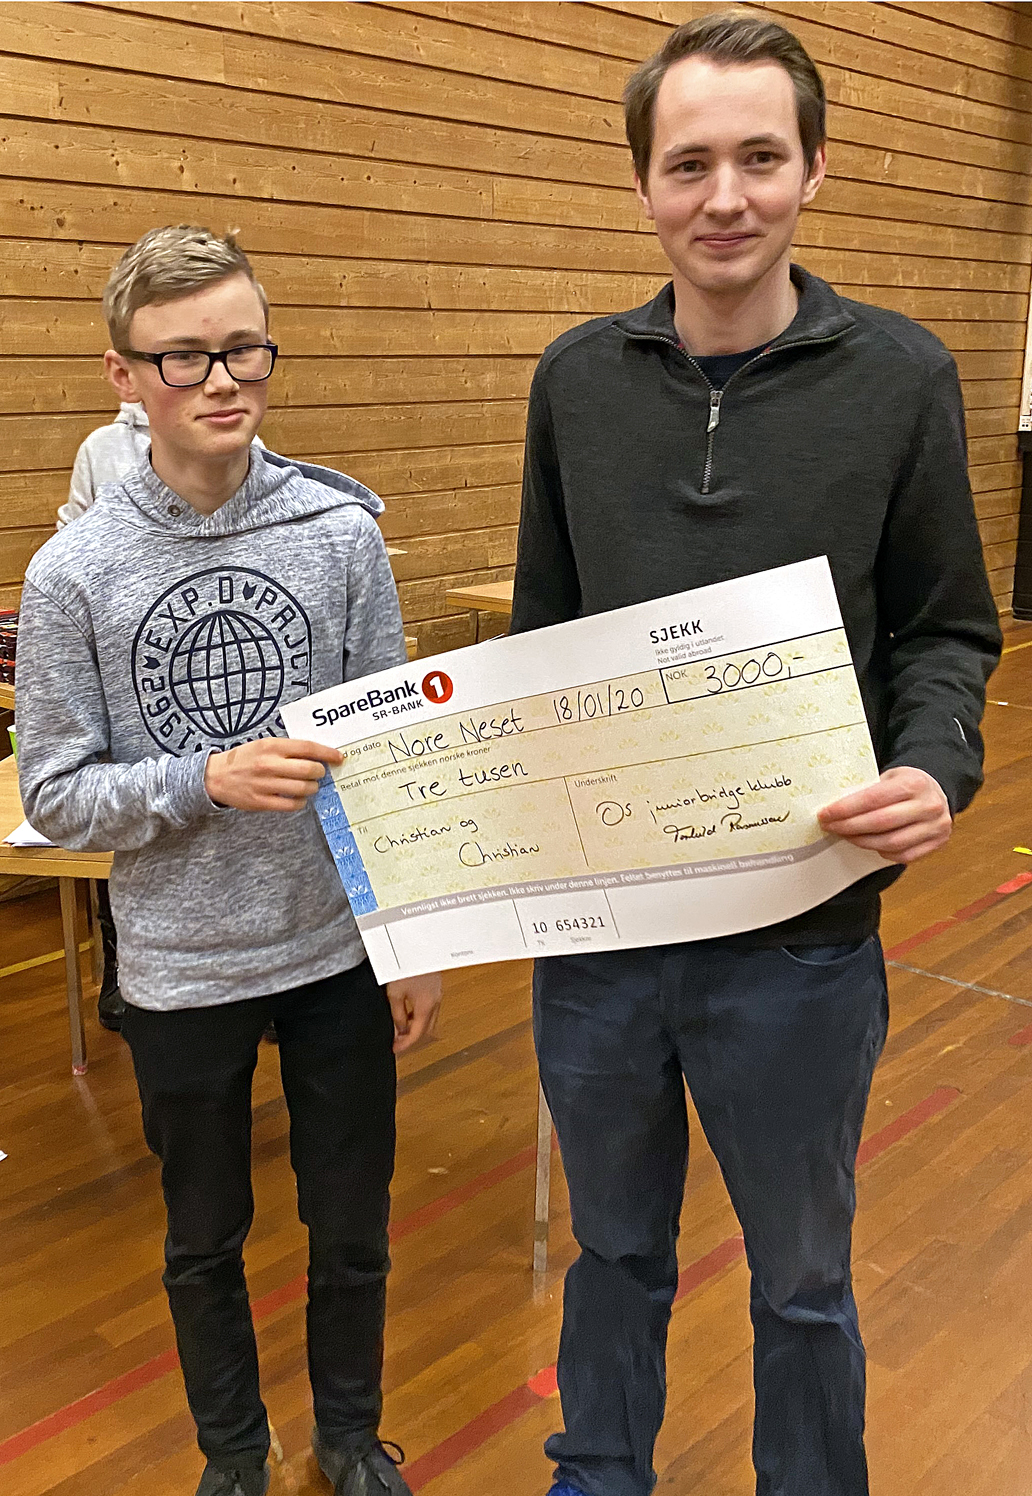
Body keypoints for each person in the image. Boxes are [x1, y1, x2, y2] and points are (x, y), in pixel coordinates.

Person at [510, 15, 1002, 1496]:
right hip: (602, 936)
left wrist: (936, 765)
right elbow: (544, 640)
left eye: (759, 158)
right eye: (688, 164)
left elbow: (945, 627)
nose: (724, 197)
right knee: (612, 1251)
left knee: (800, 1278)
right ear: (642, 185)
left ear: (814, 167)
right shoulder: (575, 381)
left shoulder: (903, 377)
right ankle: (599, 1474)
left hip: (800, 936)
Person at [16, 225, 441, 1496]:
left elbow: (392, 751)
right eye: (184, 355)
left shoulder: (340, 533)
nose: (220, 378)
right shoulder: (72, 572)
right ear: (123, 376)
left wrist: (413, 936)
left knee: (351, 1226)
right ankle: (234, 1456)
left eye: (244, 347)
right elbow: (55, 794)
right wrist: (201, 778)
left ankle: (350, 1440)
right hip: (180, 967)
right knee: (204, 1238)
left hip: (337, 954)